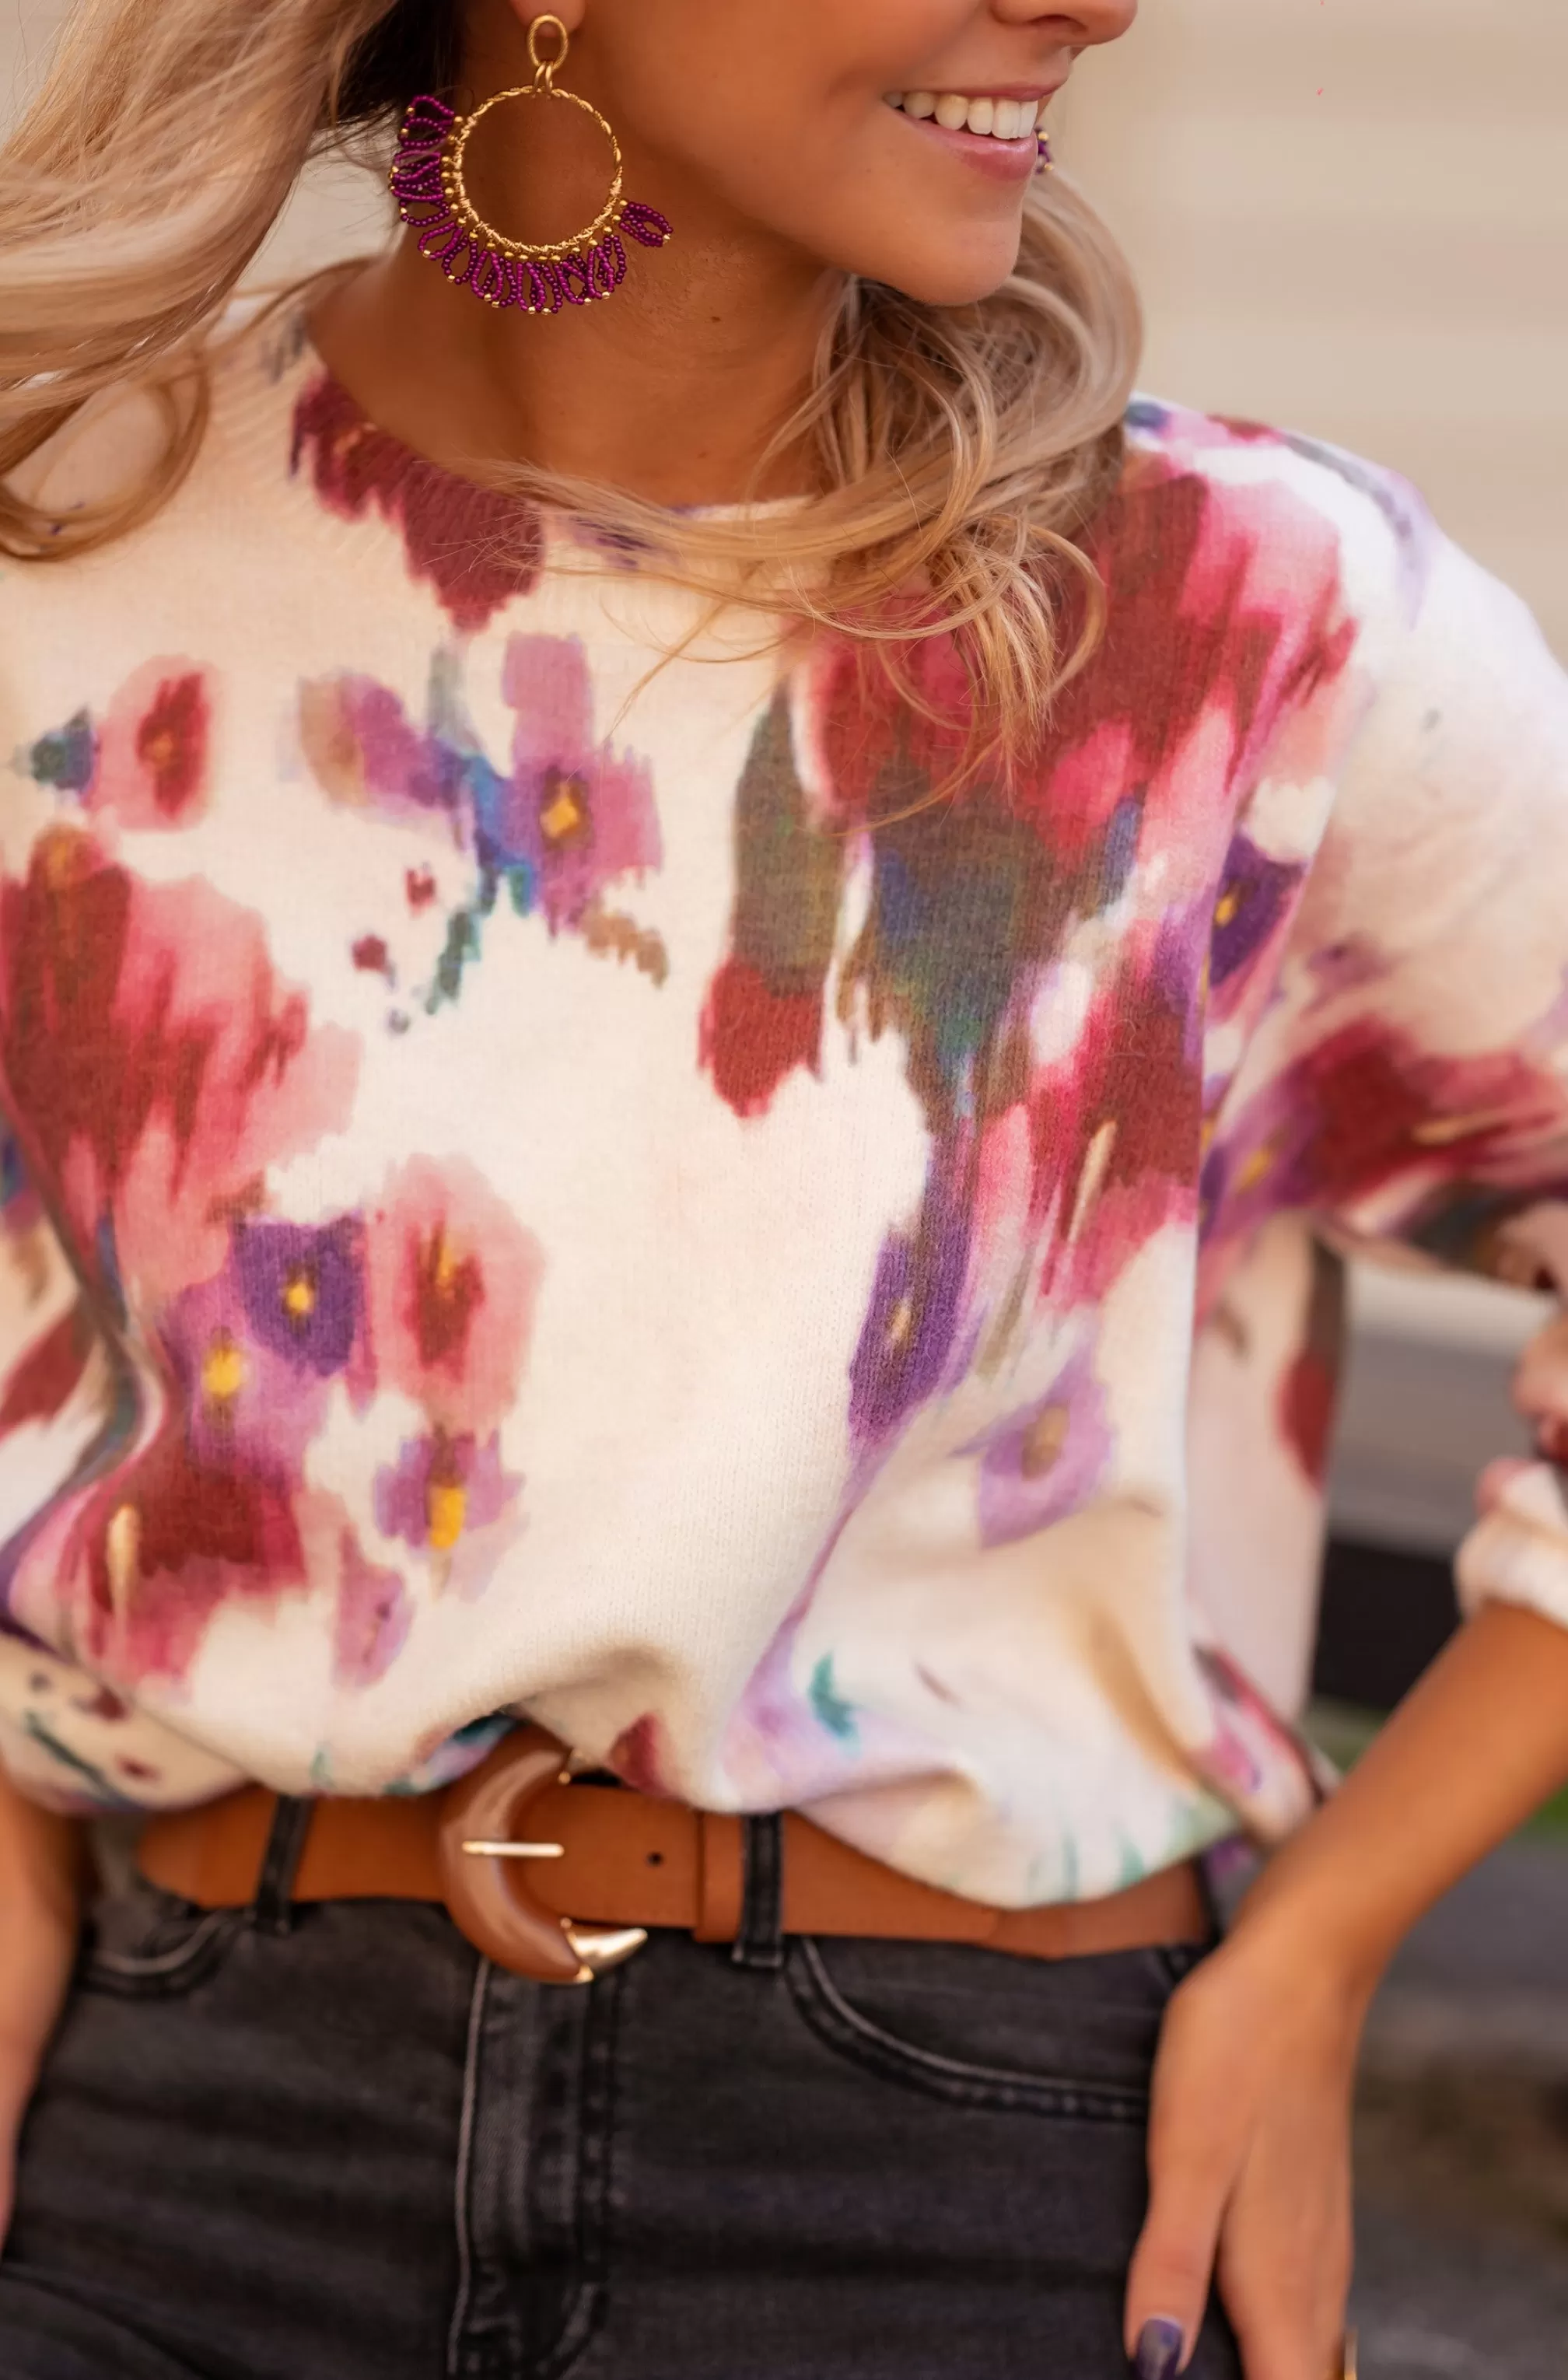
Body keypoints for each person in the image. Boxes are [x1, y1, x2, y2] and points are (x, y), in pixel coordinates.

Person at [0, 0, 1566, 2373]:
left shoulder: (1247, 613)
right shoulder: (71, 544)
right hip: (174, 2167)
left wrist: (1329, 1935)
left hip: (969, 2184)